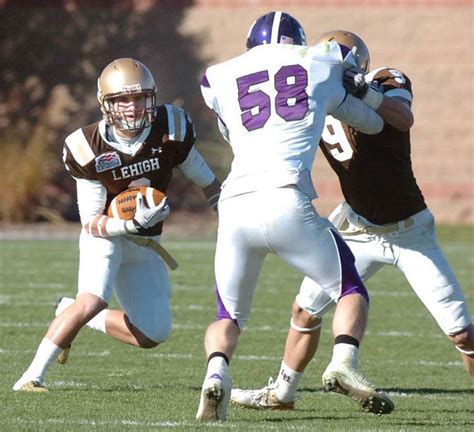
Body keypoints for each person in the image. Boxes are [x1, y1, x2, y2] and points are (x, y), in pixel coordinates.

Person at [231, 29, 474, 412]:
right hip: (357, 228)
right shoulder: (314, 98)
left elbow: (403, 118)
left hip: (409, 232)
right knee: (304, 310)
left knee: (463, 333)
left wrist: (362, 89)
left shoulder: (385, 80)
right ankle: (282, 393)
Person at [195, 13, 395, 422]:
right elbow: (372, 123)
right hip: (286, 197)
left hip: (235, 204)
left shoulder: (219, 75)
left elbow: (223, 114)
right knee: (350, 289)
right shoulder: (322, 61)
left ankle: (216, 372)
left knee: (228, 316)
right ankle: (343, 361)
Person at [13, 58, 221, 392]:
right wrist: (129, 224)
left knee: (154, 333)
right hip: (107, 236)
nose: (132, 107)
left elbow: (209, 184)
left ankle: (72, 312)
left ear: (151, 98)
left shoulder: (172, 128)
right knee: (93, 298)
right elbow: (90, 223)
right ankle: (31, 376)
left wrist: (228, 218)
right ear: (106, 103)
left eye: (139, 98)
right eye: (122, 99)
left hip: (145, 244)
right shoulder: (87, 146)